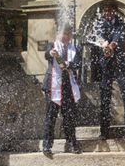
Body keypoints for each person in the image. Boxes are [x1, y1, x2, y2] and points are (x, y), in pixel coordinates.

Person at [97, 5, 125, 140]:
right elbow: (98, 37)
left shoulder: (122, 24)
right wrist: (104, 44)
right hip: (106, 65)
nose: (107, 13)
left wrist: (111, 45)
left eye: (109, 11)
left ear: (113, 12)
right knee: (105, 98)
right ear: (102, 13)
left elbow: (118, 38)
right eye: (105, 11)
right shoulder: (99, 24)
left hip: (120, 64)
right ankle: (104, 132)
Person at [41, 26, 82, 156]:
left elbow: (78, 63)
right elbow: (46, 55)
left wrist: (69, 64)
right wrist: (50, 54)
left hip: (68, 86)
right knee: (50, 116)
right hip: (52, 86)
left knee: (69, 117)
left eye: (67, 34)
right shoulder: (51, 45)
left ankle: (71, 143)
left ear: (70, 35)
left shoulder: (75, 48)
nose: (65, 36)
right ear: (58, 34)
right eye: (63, 34)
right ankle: (47, 145)